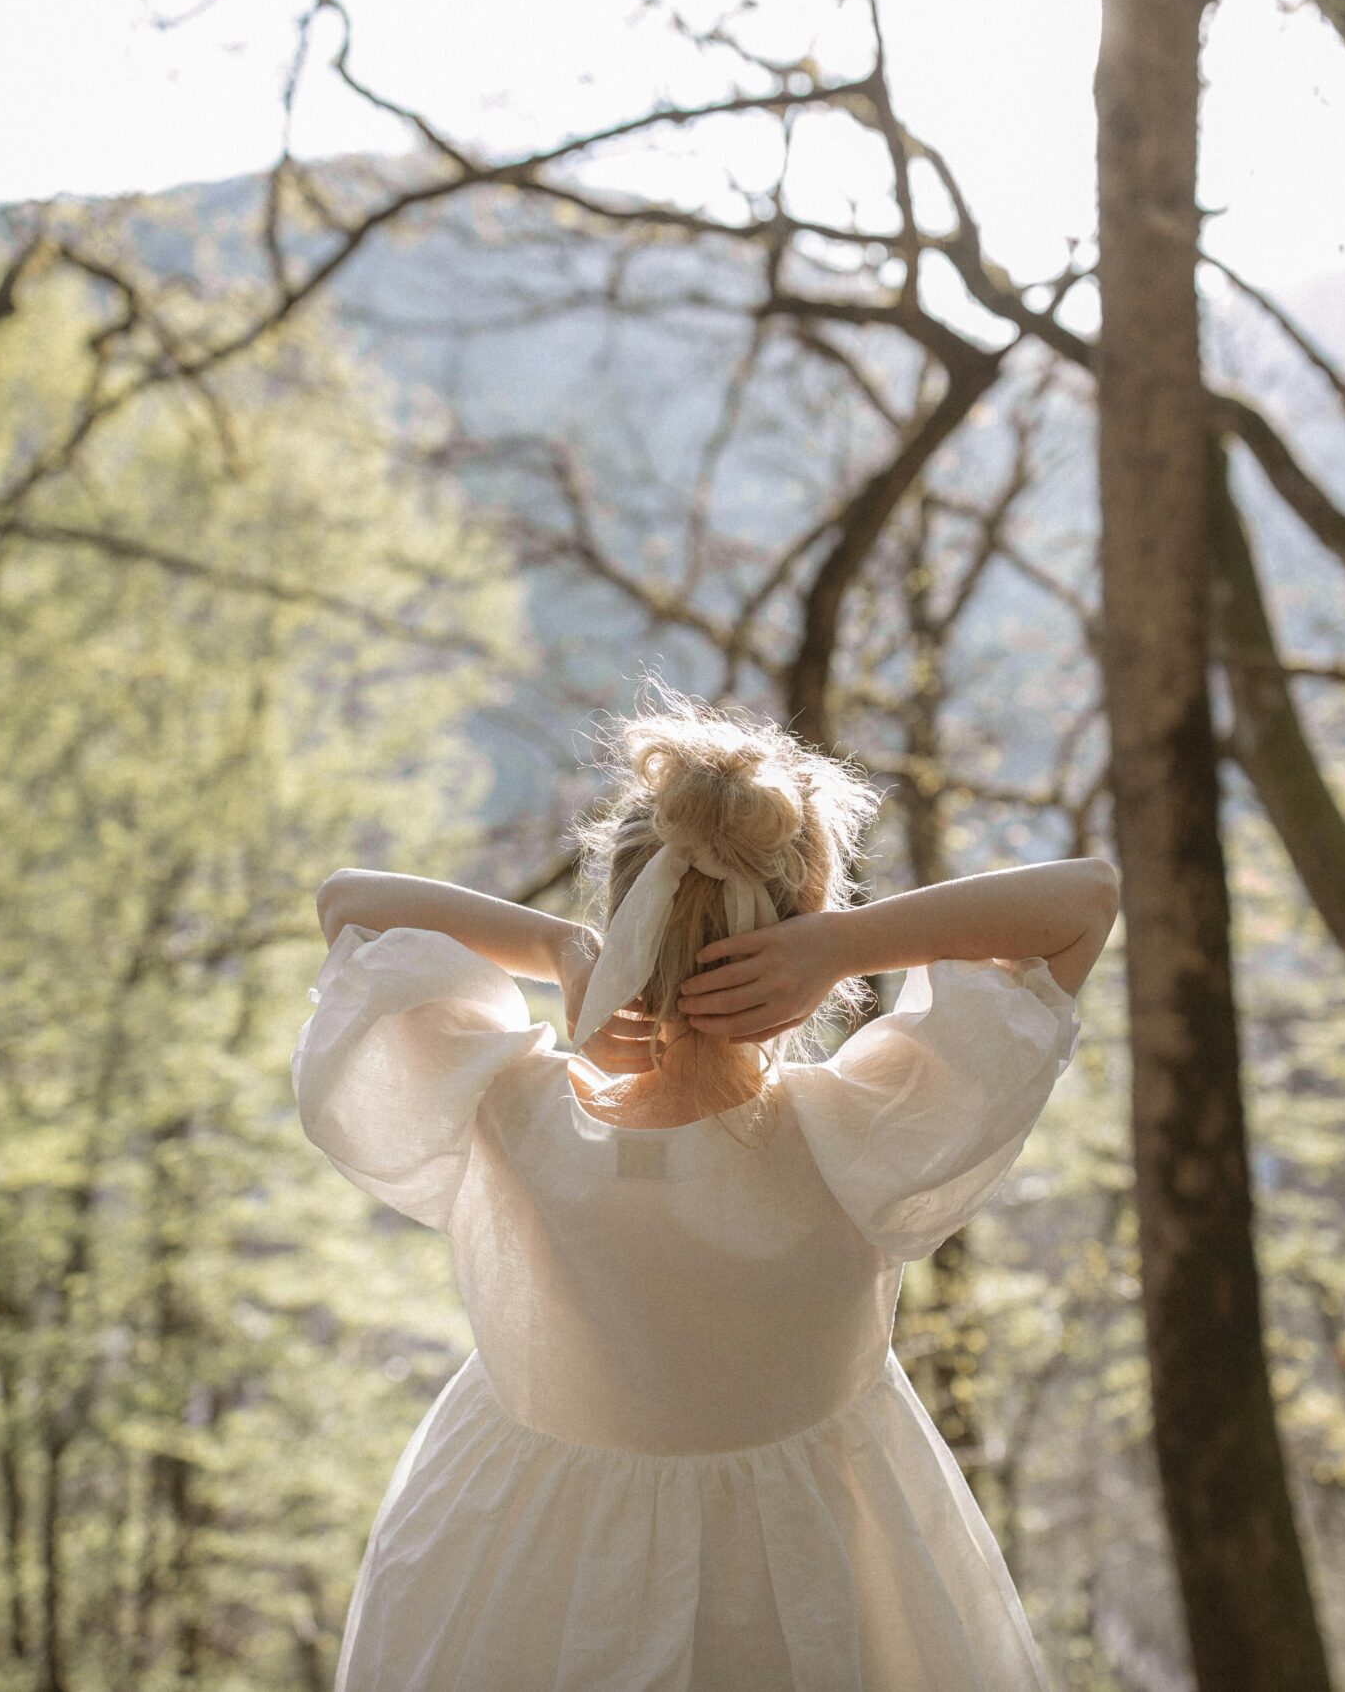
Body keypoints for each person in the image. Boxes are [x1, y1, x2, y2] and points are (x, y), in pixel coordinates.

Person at [296, 683, 1120, 1690]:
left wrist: (559, 953)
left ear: (624, 917)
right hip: (809, 1559)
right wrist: (847, 945)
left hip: (525, 1555)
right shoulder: (860, 1138)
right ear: (798, 933)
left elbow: (348, 903)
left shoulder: (509, 1113)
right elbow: (1084, 901)